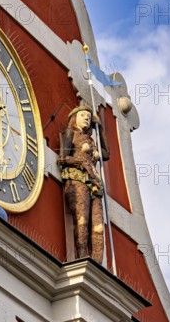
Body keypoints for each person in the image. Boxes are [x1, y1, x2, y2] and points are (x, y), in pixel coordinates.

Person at [59, 105, 110, 263]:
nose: (86, 118)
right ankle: (82, 259)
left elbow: (106, 154)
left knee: (98, 227)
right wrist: (81, 160)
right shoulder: (70, 133)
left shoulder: (91, 139)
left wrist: (99, 129)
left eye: (88, 116)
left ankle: (97, 264)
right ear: (75, 118)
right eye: (83, 115)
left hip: (94, 182)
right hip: (77, 178)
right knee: (82, 221)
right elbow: (62, 158)